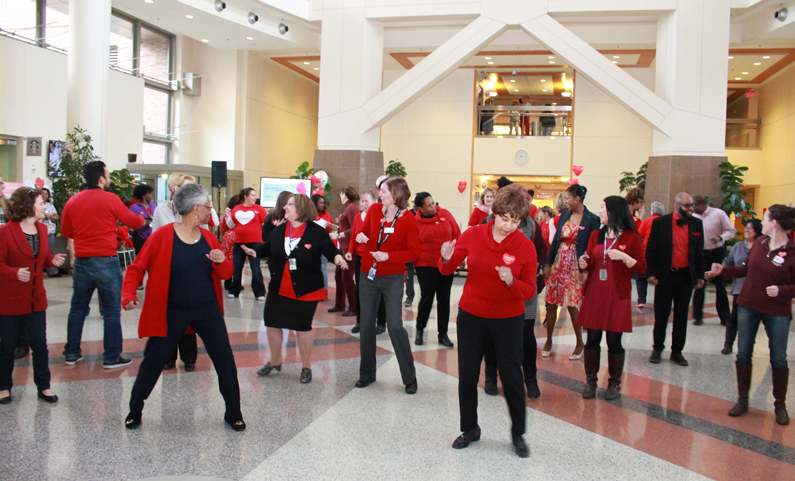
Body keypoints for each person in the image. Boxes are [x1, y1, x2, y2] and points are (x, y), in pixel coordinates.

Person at [121, 184, 244, 431]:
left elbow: (227, 273)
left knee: (225, 360)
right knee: (153, 361)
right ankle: (135, 409)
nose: (211, 212)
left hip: (207, 309)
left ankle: (234, 413)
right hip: (172, 310)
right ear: (195, 209)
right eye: (208, 207)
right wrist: (128, 295)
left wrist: (221, 261)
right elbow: (137, 268)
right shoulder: (163, 236)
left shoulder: (209, 236)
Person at [440, 184, 537, 458]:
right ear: (494, 212)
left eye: (515, 221)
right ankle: (470, 428)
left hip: (508, 319)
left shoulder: (525, 247)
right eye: (504, 218)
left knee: (511, 376)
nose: (508, 226)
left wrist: (512, 282)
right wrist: (445, 258)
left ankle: (518, 432)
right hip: (472, 315)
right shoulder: (473, 234)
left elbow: (529, 290)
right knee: (468, 375)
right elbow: (449, 268)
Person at [243, 194, 348, 384]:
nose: (285, 207)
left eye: (289, 204)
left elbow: (329, 250)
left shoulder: (316, 232)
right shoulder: (281, 229)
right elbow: (267, 247)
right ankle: (275, 361)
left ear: (300, 209)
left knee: (302, 326)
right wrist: (255, 252)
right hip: (279, 287)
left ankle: (306, 366)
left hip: (306, 288)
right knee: (272, 323)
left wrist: (338, 258)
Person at [708, 205, 795, 425]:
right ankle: (743, 400)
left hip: (777, 310)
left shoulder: (793, 251)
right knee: (743, 353)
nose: (761, 223)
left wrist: (782, 290)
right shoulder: (759, 243)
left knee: (778, 357)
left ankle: (780, 406)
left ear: (774, 223)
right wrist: (723, 270)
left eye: (765, 219)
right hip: (748, 305)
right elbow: (745, 269)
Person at [61, 161, 145, 368]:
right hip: (105, 261)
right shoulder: (109, 199)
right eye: (107, 175)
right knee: (110, 311)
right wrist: (143, 220)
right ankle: (111, 357)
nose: (108, 179)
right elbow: (132, 221)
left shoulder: (73, 201)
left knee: (78, 309)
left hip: (81, 262)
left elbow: (66, 232)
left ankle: (71, 354)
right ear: (100, 178)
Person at [0, 187, 66, 404]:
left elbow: (42, 256)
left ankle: (44, 386)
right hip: (10, 300)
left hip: (36, 299)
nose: (44, 206)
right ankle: (3, 387)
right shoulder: (6, 232)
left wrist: (51, 259)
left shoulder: (40, 228)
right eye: (40, 203)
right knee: (7, 345)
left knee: (39, 345)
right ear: (28, 206)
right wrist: (13, 272)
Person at [354, 176, 419, 394]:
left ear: (397, 194)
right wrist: (361, 237)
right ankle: (367, 373)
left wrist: (388, 256)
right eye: (380, 190)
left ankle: (410, 378)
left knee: (394, 325)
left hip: (392, 277)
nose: (380, 194)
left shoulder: (409, 219)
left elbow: (413, 252)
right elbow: (363, 233)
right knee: (366, 324)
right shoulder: (374, 211)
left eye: (384, 190)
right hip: (368, 274)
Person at [577, 196, 646, 400]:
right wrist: (583, 261)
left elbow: (642, 268)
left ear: (614, 211)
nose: (600, 211)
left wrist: (626, 258)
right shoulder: (596, 235)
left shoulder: (632, 237)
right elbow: (590, 262)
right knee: (592, 339)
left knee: (614, 341)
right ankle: (591, 381)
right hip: (595, 294)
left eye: (603, 207)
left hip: (618, 296)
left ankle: (614, 384)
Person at [482, 193, 548, 399]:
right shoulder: (489, 223)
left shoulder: (532, 226)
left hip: (523, 292)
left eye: (516, 217)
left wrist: (535, 269)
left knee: (527, 337)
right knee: (491, 337)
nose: (509, 224)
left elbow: (542, 249)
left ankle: (530, 378)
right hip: (495, 292)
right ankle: (491, 376)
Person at [645, 192, 705, 367]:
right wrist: (650, 273)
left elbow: (699, 253)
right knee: (661, 314)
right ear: (676, 205)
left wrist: (700, 275)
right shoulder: (660, 223)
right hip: (666, 275)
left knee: (681, 316)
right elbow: (651, 250)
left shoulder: (696, 224)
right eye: (687, 206)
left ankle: (677, 351)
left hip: (685, 276)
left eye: (692, 206)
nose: (691, 209)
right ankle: (657, 349)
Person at [541, 184, 601, 359]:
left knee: (573, 304)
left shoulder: (592, 219)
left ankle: (580, 342)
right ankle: (549, 340)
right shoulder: (564, 216)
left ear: (577, 199)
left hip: (576, 265)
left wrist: (587, 269)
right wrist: (547, 263)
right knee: (551, 302)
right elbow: (556, 242)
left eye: (567, 198)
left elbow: (594, 247)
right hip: (559, 263)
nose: (565, 201)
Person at [413, 192, 461, 348]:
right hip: (425, 264)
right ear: (420, 208)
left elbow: (457, 234)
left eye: (433, 202)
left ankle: (443, 334)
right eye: (428, 205)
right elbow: (412, 244)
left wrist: (455, 248)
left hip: (446, 263)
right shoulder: (415, 222)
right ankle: (420, 330)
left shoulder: (445, 214)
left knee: (444, 298)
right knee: (427, 297)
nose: (433, 206)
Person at [345, 191, 387, 334]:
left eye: (366, 201)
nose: (363, 204)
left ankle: (381, 322)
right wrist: (350, 251)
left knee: (379, 289)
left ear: (374, 201)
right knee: (360, 290)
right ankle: (360, 321)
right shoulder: (357, 217)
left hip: (375, 258)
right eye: (361, 201)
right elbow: (353, 237)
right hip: (360, 258)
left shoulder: (381, 216)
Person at [720, 219, 763, 355]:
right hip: (740, 288)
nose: (747, 230)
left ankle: (747, 345)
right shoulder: (738, 246)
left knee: (753, 320)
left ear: (758, 230)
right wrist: (720, 268)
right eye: (746, 227)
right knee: (734, 318)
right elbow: (727, 262)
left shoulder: (763, 247)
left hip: (757, 290)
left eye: (750, 228)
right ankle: (728, 344)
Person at [692, 194, 736, 326]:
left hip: (718, 253)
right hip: (701, 254)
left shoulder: (718, 214)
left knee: (720, 285)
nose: (692, 208)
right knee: (700, 283)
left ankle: (725, 318)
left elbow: (731, 230)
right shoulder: (694, 217)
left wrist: (721, 238)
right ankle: (697, 316)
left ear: (700, 205)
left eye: (693, 206)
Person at [227, 187, 268, 300]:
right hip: (239, 242)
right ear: (245, 197)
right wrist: (227, 216)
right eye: (252, 195)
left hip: (255, 242)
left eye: (255, 195)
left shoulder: (259, 209)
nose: (255, 198)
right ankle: (234, 290)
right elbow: (231, 225)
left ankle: (259, 293)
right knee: (237, 268)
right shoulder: (237, 208)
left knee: (255, 268)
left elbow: (265, 223)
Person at [329, 187, 360, 316]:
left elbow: (355, 228)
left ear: (344, 195)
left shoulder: (352, 208)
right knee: (338, 276)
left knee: (346, 277)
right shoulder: (348, 208)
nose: (340, 197)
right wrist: (333, 227)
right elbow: (345, 226)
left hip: (348, 248)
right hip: (343, 247)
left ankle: (353, 307)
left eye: (341, 194)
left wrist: (339, 235)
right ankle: (339, 304)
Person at [152, 173, 219, 231]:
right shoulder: (160, 210)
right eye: (187, 188)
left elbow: (206, 232)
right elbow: (154, 238)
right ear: (175, 189)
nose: (191, 192)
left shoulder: (197, 209)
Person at [635, 201, 664, 309]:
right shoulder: (665, 222)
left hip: (646, 253)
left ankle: (641, 300)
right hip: (660, 255)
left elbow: (639, 235)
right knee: (660, 278)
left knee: (641, 277)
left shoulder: (647, 221)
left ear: (652, 211)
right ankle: (660, 301)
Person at [312, 193, 336, 294]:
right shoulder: (310, 214)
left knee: (322, 267)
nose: (322, 205)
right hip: (311, 246)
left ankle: (324, 290)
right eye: (320, 203)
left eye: (323, 203)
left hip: (322, 245)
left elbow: (330, 230)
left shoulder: (326, 215)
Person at [220, 193, 242, 291]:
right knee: (238, 262)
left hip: (228, 238)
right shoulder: (242, 213)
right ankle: (236, 284)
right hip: (240, 237)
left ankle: (227, 281)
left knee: (228, 261)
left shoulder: (227, 214)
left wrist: (227, 234)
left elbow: (222, 227)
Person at [129, 183, 156, 255]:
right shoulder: (134, 208)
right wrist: (144, 222)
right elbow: (131, 222)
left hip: (152, 235)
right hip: (140, 236)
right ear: (143, 195)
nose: (151, 195)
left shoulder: (154, 206)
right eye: (149, 194)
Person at [40, 188, 60, 277]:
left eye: (46, 194)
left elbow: (56, 217)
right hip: (39, 230)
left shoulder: (50, 205)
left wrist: (49, 216)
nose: (44, 195)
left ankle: (51, 270)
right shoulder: (35, 204)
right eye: (42, 193)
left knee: (50, 250)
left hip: (50, 230)